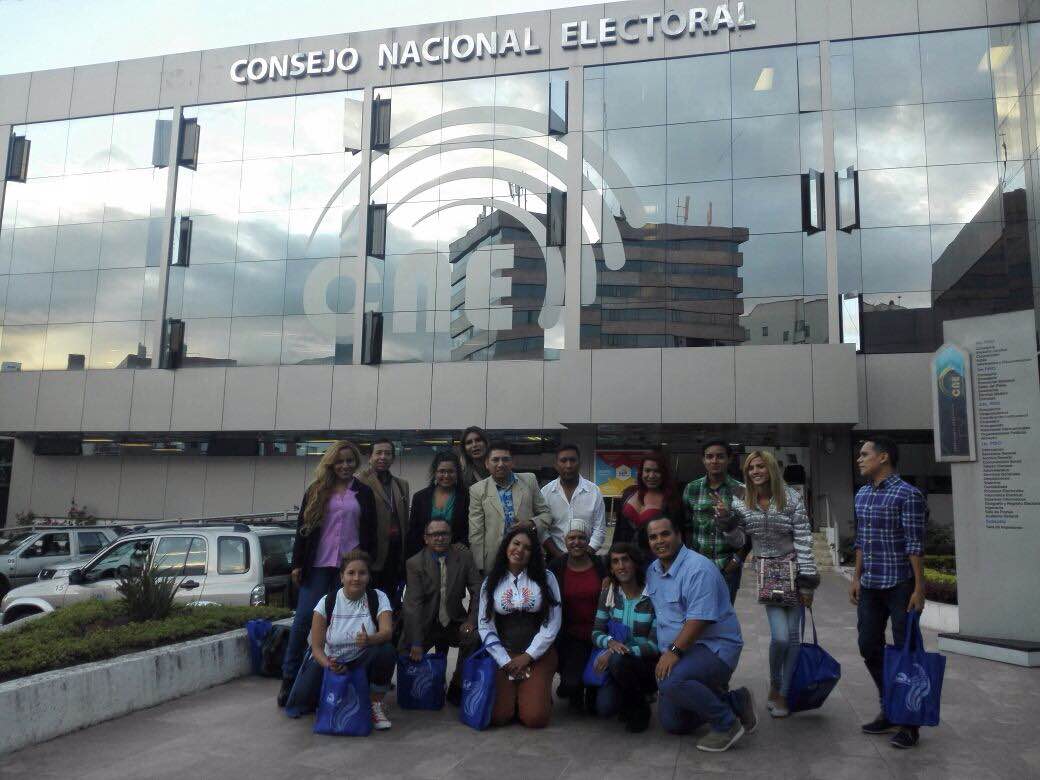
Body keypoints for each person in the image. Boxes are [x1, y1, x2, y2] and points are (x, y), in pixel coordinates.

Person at [716, 450, 818, 719]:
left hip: (794, 569)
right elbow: (740, 541)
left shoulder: (791, 498)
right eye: (751, 468)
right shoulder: (742, 500)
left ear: (771, 468)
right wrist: (726, 521)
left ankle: (783, 692)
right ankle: (775, 682)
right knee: (780, 636)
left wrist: (807, 582)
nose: (755, 472)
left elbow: (804, 540)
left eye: (760, 466)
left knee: (793, 637)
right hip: (767, 571)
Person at [644, 514, 755, 753]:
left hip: (714, 648)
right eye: (653, 537)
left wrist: (673, 652)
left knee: (669, 680)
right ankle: (734, 702)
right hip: (685, 651)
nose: (659, 541)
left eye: (665, 534)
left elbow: (699, 620)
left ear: (679, 535)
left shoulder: (698, 568)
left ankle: (726, 724)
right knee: (673, 722)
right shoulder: (653, 570)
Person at [279, 440, 378, 706]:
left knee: (344, 624)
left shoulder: (364, 493)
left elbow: (371, 531)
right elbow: (302, 530)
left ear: (355, 463)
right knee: (303, 621)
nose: (345, 466)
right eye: (340, 461)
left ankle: (338, 679)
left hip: (349, 569)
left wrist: (368, 563)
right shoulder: (316, 490)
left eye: (349, 461)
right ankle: (289, 678)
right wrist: (297, 564)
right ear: (331, 463)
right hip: (318, 566)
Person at [850, 437, 927, 750]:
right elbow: (861, 540)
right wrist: (856, 577)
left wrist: (919, 587)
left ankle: (909, 723)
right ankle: (890, 704)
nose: (859, 459)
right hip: (870, 584)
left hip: (900, 585)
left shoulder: (908, 494)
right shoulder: (862, 494)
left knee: (907, 651)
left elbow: (915, 544)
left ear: (883, 457)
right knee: (868, 645)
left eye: (864, 454)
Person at [477, 525, 562, 728]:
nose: (520, 550)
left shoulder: (547, 578)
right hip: (504, 653)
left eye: (527, 548)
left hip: (537, 655)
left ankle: (534, 694)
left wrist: (528, 656)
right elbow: (485, 624)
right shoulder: (491, 581)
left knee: (535, 718)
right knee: (497, 717)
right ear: (507, 546)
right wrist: (504, 660)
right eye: (516, 544)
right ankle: (519, 695)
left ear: (533, 554)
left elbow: (553, 622)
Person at [309, 551, 396, 730]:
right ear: (342, 577)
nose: (356, 578)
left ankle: (375, 704)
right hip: (334, 661)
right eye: (351, 573)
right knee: (304, 703)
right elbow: (316, 648)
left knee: (386, 650)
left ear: (368, 577)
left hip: (363, 661)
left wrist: (370, 639)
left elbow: (387, 632)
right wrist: (329, 664)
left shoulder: (378, 597)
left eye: (362, 573)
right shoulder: (326, 602)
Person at [400, 518, 482, 704]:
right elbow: (413, 605)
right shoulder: (415, 563)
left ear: (451, 536)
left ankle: (457, 684)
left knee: (473, 637)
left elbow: (478, 591)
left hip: (454, 620)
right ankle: (423, 687)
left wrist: (471, 620)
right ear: (426, 538)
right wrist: (416, 641)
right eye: (434, 534)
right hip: (427, 623)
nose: (439, 538)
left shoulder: (464, 557)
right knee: (404, 648)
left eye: (444, 534)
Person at [590, 542, 659, 732]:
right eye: (615, 562)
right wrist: (609, 642)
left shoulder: (653, 596)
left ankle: (641, 707)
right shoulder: (608, 594)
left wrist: (620, 652)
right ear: (611, 568)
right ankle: (627, 695)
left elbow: (655, 644)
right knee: (604, 708)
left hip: (645, 663)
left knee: (619, 661)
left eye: (625, 560)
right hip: (616, 663)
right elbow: (596, 632)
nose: (621, 566)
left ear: (635, 562)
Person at [548, 520, 607, 713]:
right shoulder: (556, 567)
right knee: (572, 685)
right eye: (571, 538)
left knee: (596, 707)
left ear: (588, 540)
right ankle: (571, 684)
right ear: (564, 540)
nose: (576, 542)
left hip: (599, 634)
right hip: (570, 636)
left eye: (581, 537)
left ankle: (592, 689)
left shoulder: (601, 565)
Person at [469, 440, 551, 574]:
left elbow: (546, 514)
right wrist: (479, 567)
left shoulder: (529, 480)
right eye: (495, 460)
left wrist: (531, 524)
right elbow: (476, 531)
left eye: (505, 459)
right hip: (495, 559)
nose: (501, 464)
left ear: (513, 462)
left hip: (527, 556)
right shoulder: (477, 490)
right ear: (487, 464)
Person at [683, 440, 750, 604]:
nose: (714, 461)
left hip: (727, 566)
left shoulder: (741, 490)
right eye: (709, 457)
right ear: (703, 460)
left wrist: (737, 560)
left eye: (720, 456)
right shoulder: (692, 489)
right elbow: (685, 526)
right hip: (698, 566)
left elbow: (749, 531)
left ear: (729, 459)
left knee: (724, 615)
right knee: (697, 613)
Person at [357, 439, 410, 607]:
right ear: (370, 457)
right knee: (369, 602)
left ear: (393, 458)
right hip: (372, 554)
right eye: (378, 453)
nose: (383, 457)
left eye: (388, 453)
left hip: (396, 554)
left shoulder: (401, 485)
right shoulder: (359, 481)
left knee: (391, 602)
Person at [541, 443, 607, 560]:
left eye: (572, 460)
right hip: (555, 558)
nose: (568, 465)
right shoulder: (545, 493)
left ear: (579, 463)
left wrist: (586, 554)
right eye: (563, 461)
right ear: (556, 465)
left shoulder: (594, 491)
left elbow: (600, 529)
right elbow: (542, 530)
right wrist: (558, 555)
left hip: (588, 558)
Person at [614, 451, 683, 556]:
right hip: (626, 559)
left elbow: (678, 536)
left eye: (657, 471)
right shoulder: (628, 493)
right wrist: (613, 554)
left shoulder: (672, 500)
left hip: (656, 559)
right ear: (641, 472)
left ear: (664, 473)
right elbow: (618, 530)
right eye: (647, 470)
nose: (651, 476)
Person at [405, 451, 469, 559]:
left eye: (451, 471)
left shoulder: (467, 497)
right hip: (424, 557)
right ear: (435, 472)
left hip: (456, 557)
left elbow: (469, 529)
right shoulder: (420, 497)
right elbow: (413, 531)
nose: (446, 475)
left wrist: (461, 545)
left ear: (457, 473)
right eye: (442, 471)